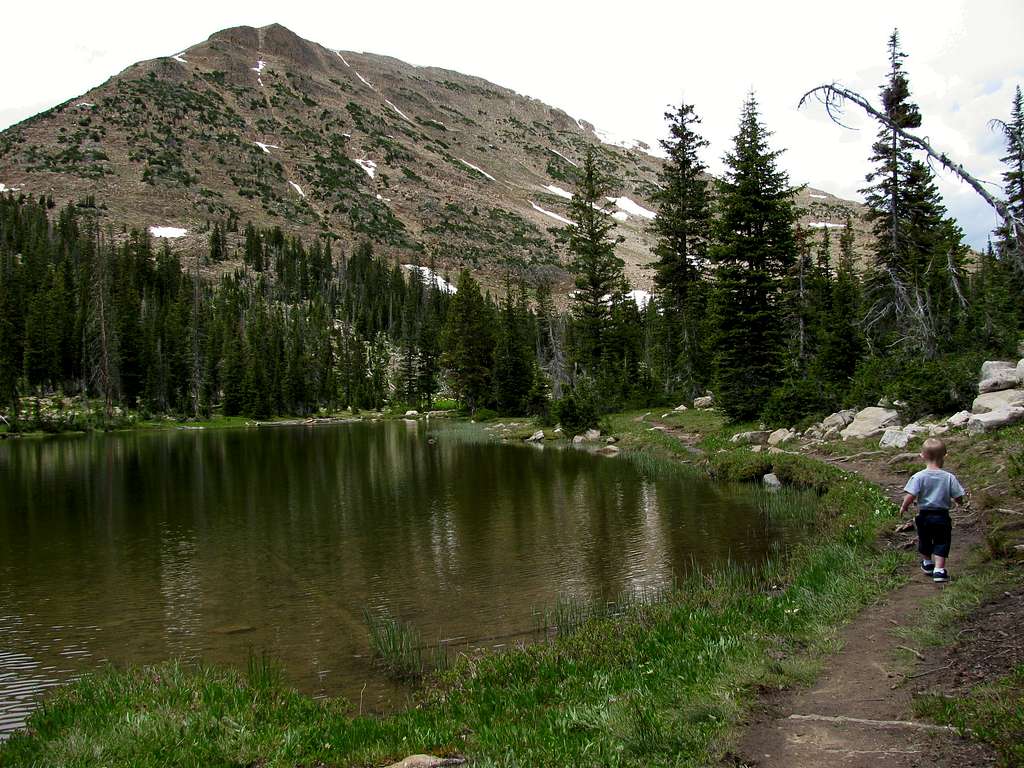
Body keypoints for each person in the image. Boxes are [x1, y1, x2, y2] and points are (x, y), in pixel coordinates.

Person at [899, 437, 966, 583]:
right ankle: (939, 570)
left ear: (922, 455)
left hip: (924, 515)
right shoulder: (949, 477)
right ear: (945, 456)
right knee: (942, 541)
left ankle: (927, 563)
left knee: (925, 539)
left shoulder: (918, 477)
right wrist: (960, 503)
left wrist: (904, 506)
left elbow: (911, 495)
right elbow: (958, 495)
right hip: (942, 516)